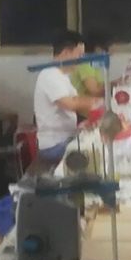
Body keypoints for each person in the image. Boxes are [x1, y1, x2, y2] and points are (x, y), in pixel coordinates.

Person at [34, 30, 103, 164]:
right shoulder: (49, 74)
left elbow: (78, 101)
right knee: (97, 155)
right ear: (66, 53)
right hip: (54, 146)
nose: (81, 59)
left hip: (66, 138)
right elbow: (70, 104)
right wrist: (98, 102)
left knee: (100, 143)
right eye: (79, 55)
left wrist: (89, 121)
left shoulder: (63, 76)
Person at [72, 30, 111, 98]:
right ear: (98, 48)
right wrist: (114, 89)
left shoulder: (94, 63)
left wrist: (117, 83)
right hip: (84, 103)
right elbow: (95, 91)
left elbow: (99, 85)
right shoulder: (85, 63)